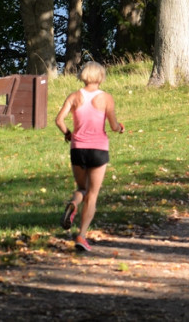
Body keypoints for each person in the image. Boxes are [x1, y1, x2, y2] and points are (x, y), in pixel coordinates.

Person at [55, 61, 124, 251]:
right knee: (92, 194)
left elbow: (58, 120)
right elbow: (113, 125)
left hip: (77, 148)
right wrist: (120, 128)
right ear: (101, 77)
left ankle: (73, 203)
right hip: (98, 149)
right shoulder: (106, 98)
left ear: (83, 76)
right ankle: (81, 235)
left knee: (81, 188)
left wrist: (68, 133)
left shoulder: (74, 96)